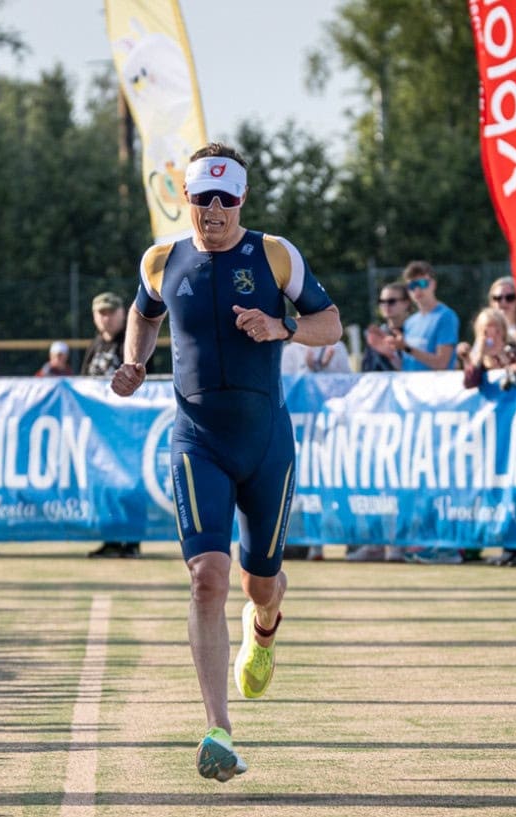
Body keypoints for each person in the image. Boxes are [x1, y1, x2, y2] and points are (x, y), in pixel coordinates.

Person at [110, 142, 342, 782]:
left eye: (226, 198)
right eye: (202, 197)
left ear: (241, 199)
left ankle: (265, 628)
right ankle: (219, 730)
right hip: (197, 440)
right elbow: (143, 315)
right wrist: (136, 361)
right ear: (184, 197)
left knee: (259, 581)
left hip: (266, 441)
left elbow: (331, 322)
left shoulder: (274, 253)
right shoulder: (161, 260)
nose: (213, 210)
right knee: (207, 575)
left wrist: (283, 328)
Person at [83, 292, 142, 559]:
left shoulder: (131, 342)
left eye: (111, 312)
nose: (106, 318)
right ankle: (110, 538)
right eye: (101, 313)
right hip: (100, 429)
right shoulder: (95, 345)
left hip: (126, 427)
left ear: (122, 314)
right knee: (104, 482)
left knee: (129, 482)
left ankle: (131, 541)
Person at [398, 261, 459, 371]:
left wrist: (407, 348)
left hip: (436, 387)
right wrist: (387, 353)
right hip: (410, 386)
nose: (417, 290)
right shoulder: (410, 322)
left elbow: (441, 363)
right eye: (412, 286)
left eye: (422, 284)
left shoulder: (446, 316)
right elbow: (408, 365)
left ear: (433, 284)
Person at [362, 281, 412, 372]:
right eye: (382, 301)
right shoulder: (376, 335)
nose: (386, 305)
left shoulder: (417, 331)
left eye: (391, 301)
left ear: (406, 303)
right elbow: (367, 371)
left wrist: (393, 357)